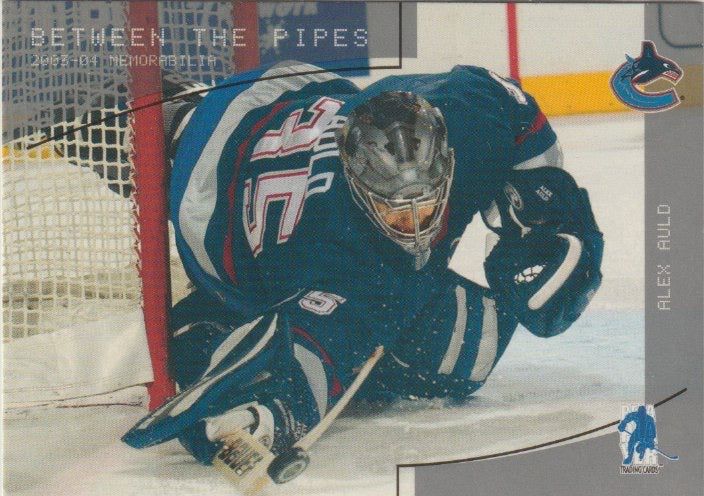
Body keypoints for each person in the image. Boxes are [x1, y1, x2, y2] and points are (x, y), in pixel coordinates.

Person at [122, 61, 604, 466]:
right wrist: (271, 412)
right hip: (207, 204)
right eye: (396, 211)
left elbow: (511, 103)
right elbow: (313, 345)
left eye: (426, 205)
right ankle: (165, 122)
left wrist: (548, 207)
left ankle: (175, 109)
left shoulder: (466, 112)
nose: (414, 226)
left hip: (274, 97)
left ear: (448, 162)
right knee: (434, 355)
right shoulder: (346, 257)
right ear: (359, 188)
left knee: (472, 345)